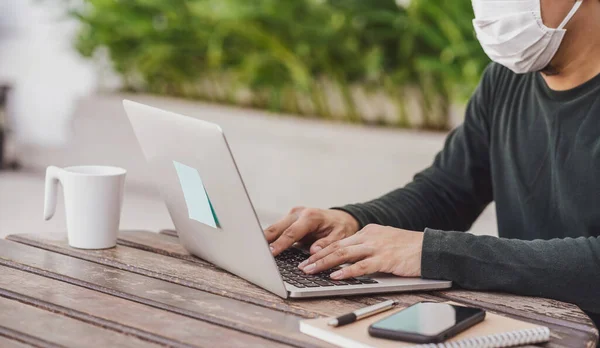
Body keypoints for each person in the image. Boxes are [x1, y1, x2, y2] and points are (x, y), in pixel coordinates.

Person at [264, 0, 600, 327]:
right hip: (537, 327)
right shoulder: (504, 82)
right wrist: (353, 220)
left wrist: (436, 253)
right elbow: (446, 191)